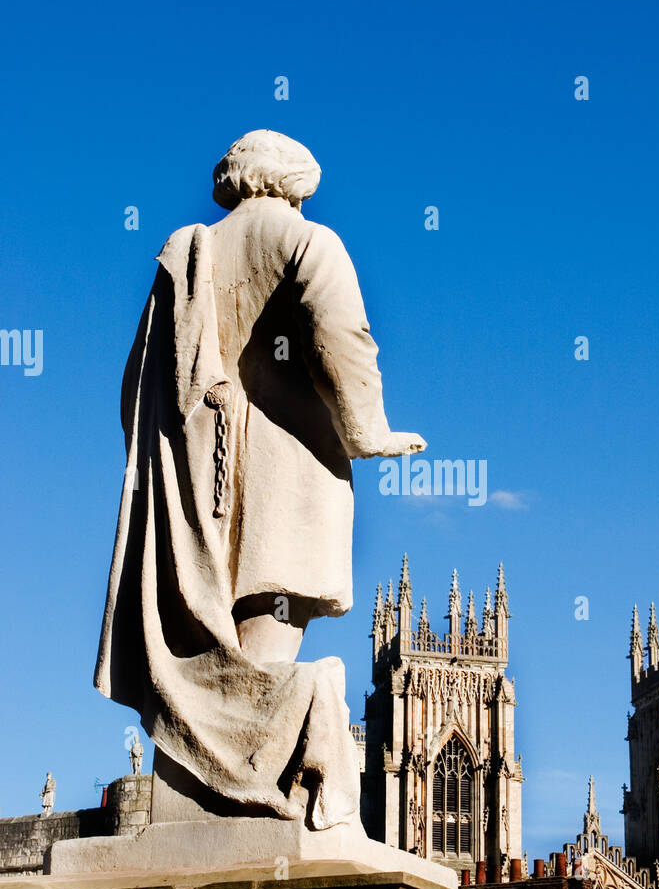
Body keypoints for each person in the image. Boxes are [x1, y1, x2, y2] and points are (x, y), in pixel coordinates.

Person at [95, 131, 424, 823]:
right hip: (288, 473)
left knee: (218, 641)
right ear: (294, 182)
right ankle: (275, 759)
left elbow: (136, 386)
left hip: (196, 490)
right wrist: (369, 431)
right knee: (270, 635)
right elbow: (344, 339)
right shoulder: (306, 242)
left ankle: (200, 787)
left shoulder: (187, 256)